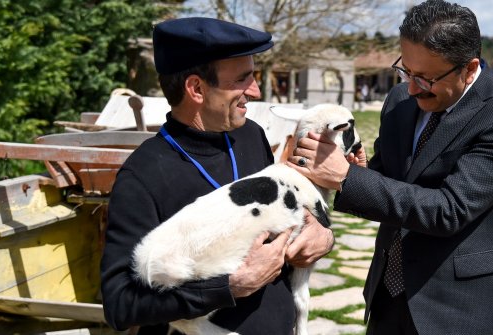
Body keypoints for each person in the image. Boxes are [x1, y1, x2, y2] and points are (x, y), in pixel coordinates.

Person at [288, 1, 493, 334]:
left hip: (457, 308)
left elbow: (449, 210)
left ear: (468, 68)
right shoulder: (399, 101)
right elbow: (390, 179)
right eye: (405, 70)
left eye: (426, 78)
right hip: (388, 298)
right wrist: (358, 170)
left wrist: (347, 178)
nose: (413, 87)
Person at [100, 17, 334, 334]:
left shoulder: (251, 136)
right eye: (242, 79)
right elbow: (121, 304)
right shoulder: (142, 175)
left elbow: (290, 214)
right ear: (196, 88)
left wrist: (322, 234)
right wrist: (230, 287)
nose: (253, 91)